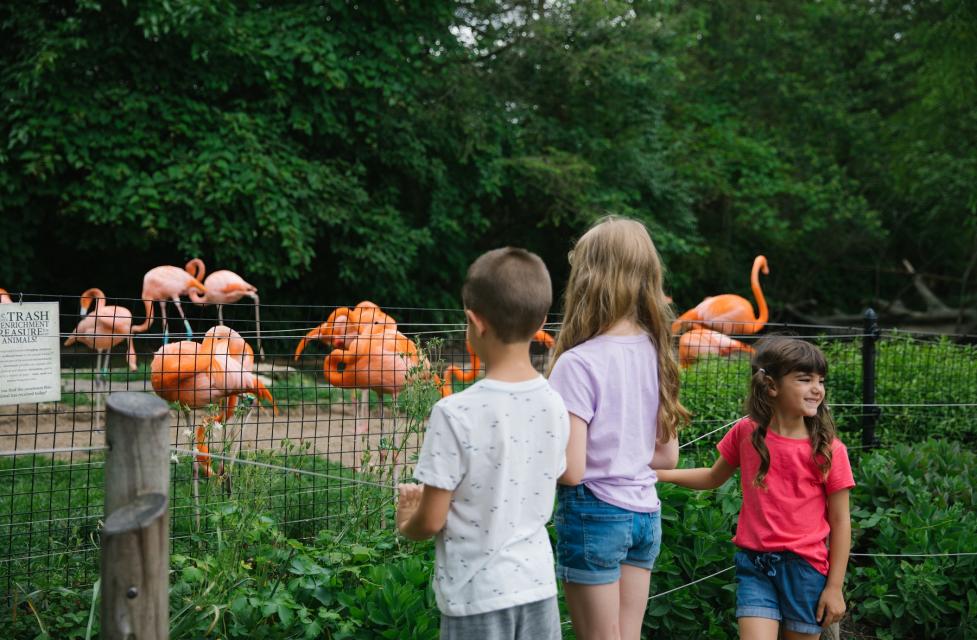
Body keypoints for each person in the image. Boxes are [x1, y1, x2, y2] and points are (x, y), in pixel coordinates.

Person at [396, 247, 570, 640]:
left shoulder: (454, 412)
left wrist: (408, 518)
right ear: (541, 320)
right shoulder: (554, 403)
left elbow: (432, 520)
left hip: (476, 595)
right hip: (538, 587)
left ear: (475, 322)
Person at [546, 216, 689, 640]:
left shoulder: (577, 362)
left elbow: (570, 471)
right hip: (645, 515)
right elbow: (666, 456)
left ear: (589, 278)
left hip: (595, 514)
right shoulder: (655, 350)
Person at [657, 336, 854, 640]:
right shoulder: (746, 432)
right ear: (771, 386)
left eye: (821, 380)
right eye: (804, 379)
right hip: (755, 565)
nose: (817, 388)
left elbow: (841, 521)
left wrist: (834, 587)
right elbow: (712, 477)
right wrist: (660, 475)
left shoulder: (829, 450)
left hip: (805, 571)